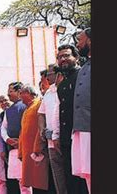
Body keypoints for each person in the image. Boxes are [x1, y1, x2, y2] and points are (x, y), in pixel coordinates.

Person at [56, 45, 88, 194]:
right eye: (60, 57)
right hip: (66, 136)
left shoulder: (83, 76)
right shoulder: (61, 85)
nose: (63, 59)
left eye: (66, 55)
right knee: (70, 174)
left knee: (84, 174)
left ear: (76, 57)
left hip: (82, 133)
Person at [38, 64, 67, 194]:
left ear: (58, 74)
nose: (47, 77)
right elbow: (41, 113)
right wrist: (41, 129)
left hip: (63, 138)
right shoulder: (48, 93)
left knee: (69, 171)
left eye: (49, 74)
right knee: (58, 174)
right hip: (50, 140)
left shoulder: (64, 89)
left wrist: (57, 134)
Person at [17, 84, 49, 193]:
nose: (20, 95)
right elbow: (22, 132)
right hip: (27, 152)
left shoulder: (38, 105)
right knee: (32, 182)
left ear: (31, 94)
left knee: (40, 180)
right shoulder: (27, 109)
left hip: (37, 151)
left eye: (22, 93)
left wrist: (37, 148)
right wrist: (20, 151)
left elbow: (39, 128)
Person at [1, 82, 30, 194]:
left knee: (26, 180)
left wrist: (21, 141)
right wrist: (8, 139)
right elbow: (3, 128)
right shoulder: (8, 110)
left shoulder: (27, 106)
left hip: (25, 148)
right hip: (13, 148)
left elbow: (29, 126)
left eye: (11, 91)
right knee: (19, 179)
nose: (8, 94)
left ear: (19, 92)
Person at [72, 28, 91, 193]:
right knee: (88, 174)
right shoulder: (85, 66)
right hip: (82, 128)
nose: (78, 44)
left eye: (80, 40)